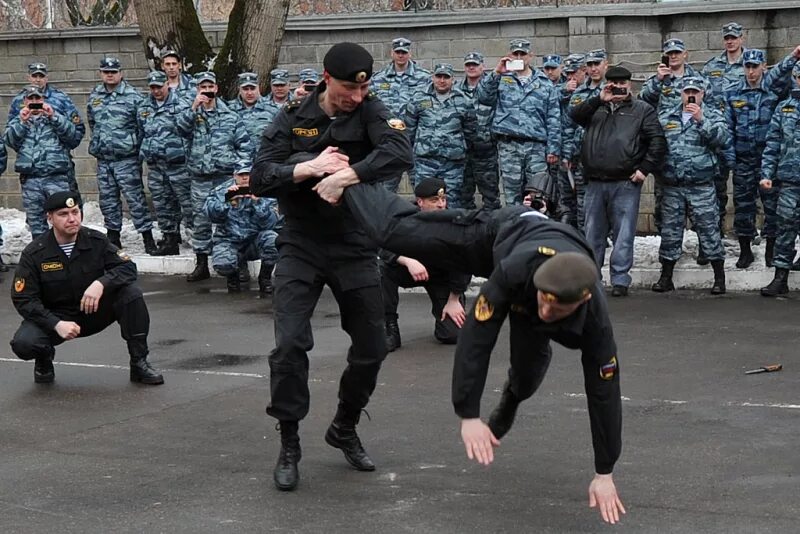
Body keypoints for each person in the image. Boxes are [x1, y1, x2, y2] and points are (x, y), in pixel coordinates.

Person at [316, 181, 625, 525]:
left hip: (550, 268)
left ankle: (510, 400)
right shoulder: (512, 273)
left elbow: (604, 394)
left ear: (582, 300)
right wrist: (468, 413)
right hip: (498, 235)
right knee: (400, 233)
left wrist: (605, 471)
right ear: (538, 287)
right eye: (544, 302)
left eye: (556, 309)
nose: (547, 311)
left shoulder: (596, 320)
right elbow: (478, 337)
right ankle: (349, 182)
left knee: (528, 371)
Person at [250, 42, 413, 492]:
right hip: (301, 244)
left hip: (355, 244)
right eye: (347, 89)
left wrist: (348, 174)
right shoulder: (292, 117)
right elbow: (261, 176)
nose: (355, 98)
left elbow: (400, 152)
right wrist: (308, 167)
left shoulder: (371, 110)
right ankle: (289, 442)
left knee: (372, 346)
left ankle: (343, 426)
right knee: (288, 347)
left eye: (362, 89)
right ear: (326, 77)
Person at [9, 191, 163, 385]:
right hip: (57, 317)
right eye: (63, 214)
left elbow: (128, 268)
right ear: (50, 218)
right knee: (24, 344)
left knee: (130, 293)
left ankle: (139, 362)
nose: (72, 219)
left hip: (93, 310)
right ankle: (44, 358)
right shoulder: (35, 253)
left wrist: (101, 283)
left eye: (75, 212)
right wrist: (56, 324)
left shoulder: (95, 240)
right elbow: (24, 299)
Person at [570, 65, 666, 297]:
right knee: (592, 234)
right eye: (614, 84)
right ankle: (591, 278)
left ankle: (620, 279)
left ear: (630, 85)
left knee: (623, 234)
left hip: (625, 182)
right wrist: (598, 99)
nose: (619, 88)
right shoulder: (596, 107)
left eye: (623, 84)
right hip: (595, 182)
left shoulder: (642, 109)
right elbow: (573, 116)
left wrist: (644, 170)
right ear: (607, 85)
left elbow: (657, 141)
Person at [651, 77, 730, 295]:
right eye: (687, 92)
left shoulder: (712, 115)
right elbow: (655, 144)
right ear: (681, 93)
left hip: (701, 185)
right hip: (673, 185)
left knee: (709, 230)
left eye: (695, 91)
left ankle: (719, 278)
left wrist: (701, 119)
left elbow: (722, 139)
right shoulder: (667, 117)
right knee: (670, 232)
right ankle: (666, 277)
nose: (690, 95)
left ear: (703, 93)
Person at [724, 46, 800, 268]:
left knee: (772, 207)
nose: (751, 72)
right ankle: (745, 250)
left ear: (763, 67)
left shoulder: (773, 89)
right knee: (743, 206)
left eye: (755, 67)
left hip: (769, 160)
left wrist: (794, 56)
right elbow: (728, 128)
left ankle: (770, 249)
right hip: (744, 160)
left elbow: (782, 71)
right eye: (747, 66)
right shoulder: (733, 93)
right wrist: (731, 159)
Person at [175, 71, 251, 282]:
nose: (207, 91)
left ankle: (239, 263)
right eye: (203, 88)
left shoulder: (231, 116)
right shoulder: (191, 114)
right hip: (200, 177)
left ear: (216, 88)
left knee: (233, 217)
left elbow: (244, 146)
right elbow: (180, 129)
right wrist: (193, 108)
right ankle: (201, 264)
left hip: (226, 177)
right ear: (197, 90)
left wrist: (241, 172)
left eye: (210, 87)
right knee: (201, 220)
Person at [382, 177, 469, 352]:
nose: (441, 205)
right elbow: (381, 245)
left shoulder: (456, 222)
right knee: (380, 270)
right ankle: (388, 327)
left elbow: (465, 263)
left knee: (452, 335)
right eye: (434, 200)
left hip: (441, 277)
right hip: (411, 272)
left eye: (443, 200)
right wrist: (407, 260)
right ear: (420, 202)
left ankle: (449, 312)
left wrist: (454, 299)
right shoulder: (403, 217)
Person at [478, 38, 561, 206]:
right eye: (515, 54)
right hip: (509, 146)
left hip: (536, 147)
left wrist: (553, 148)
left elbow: (553, 117)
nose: (519, 57)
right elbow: (484, 98)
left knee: (538, 194)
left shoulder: (544, 83)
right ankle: (514, 229)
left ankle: (535, 229)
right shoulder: (501, 78)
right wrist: (496, 72)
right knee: (512, 195)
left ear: (530, 56)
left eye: (522, 54)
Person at [87, 57, 157, 253]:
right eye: (106, 72)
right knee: (108, 201)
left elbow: (142, 127)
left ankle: (147, 238)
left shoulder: (133, 97)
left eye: (114, 71)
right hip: (104, 159)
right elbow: (93, 123)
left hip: (126, 159)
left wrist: (133, 147)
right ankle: (113, 238)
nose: (110, 75)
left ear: (121, 73)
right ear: (101, 73)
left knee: (135, 200)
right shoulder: (95, 96)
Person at [4, 86, 83, 239]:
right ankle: (43, 257)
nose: (34, 102)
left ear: (43, 100)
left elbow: (73, 137)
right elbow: (9, 141)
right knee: (37, 225)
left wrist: (54, 116)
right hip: (31, 180)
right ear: (25, 101)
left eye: (38, 99)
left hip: (57, 178)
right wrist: (22, 122)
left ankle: (68, 255)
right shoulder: (18, 120)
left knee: (64, 220)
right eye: (31, 99)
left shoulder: (55, 118)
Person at [204, 162, 283, 296]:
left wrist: (258, 203)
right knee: (223, 263)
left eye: (248, 174)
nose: (245, 178)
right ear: (234, 176)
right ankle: (233, 279)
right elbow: (210, 215)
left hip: (255, 241)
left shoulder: (265, 190)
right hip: (229, 241)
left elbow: (272, 223)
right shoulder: (222, 191)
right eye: (241, 175)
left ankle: (265, 279)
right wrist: (228, 201)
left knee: (273, 240)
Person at [136, 70, 193, 256]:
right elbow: (141, 131)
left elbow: (190, 130)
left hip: (178, 164)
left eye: (159, 87)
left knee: (187, 202)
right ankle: (170, 238)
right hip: (156, 165)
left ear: (167, 84)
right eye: (152, 87)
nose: (156, 91)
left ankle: (196, 238)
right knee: (162, 203)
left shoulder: (183, 104)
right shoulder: (144, 107)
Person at [6, 62, 85, 193]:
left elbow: (77, 131)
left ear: (46, 78)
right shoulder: (18, 100)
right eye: (34, 76)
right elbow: (11, 137)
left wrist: (61, 147)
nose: (37, 80)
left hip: (58, 165)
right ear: (28, 77)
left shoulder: (61, 98)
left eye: (41, 76)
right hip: (31, 169)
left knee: (68, 205)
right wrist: (26, 150)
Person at [404, 63, 475, 207]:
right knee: (424, 201)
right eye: (438, 76)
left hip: (452, 163)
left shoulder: (463, 100)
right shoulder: (418, 98)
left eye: (446, 77)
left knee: (451, 201)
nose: (442, 80)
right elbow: (409, 128)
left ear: (452, 79)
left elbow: (470, 130)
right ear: (433, 77)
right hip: (425, 161)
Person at [759, 64, 800, 297]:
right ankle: (780, 276)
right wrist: (766, 174)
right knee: (785, 226)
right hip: (790, 180)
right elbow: (772, 145)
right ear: (795, 78)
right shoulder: (784, 109)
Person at [371, 37, 431, 193]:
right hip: (390, 142)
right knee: (386, 189)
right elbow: (372, 108)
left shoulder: (424, 77)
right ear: (392, 53)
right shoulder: (378, 79)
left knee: (421, 187)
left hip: (415, 142)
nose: (401, 55)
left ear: (409, 54)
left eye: (404, 52)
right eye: (398, 52)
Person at [562, 50, 606, 231]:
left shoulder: (613, 90)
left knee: (605, 203)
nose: (594, 69)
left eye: (597, 64)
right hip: (581, 158)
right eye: (590, 65)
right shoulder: (579, 93)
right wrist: (567, 154)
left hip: (606, 158)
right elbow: (568, 125)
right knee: (582, 203)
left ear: (606, 64)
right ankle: (584, 239)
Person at [459, 51, 500, 210]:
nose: (471, 67)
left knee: (490, 196)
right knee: (463, 195)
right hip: (463, 151)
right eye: (468, 65)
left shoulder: (492, 87)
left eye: (475, 65)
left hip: (486, 151)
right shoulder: (457, 89)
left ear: (483, 67)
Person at [227, 72, 280, 158]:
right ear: (239, 89)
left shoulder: (273, 109)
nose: (249, 93)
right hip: (237, 163)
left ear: (258, 88)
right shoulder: (229, 110)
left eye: (252, 88)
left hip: (264, 161)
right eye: (245, 89)